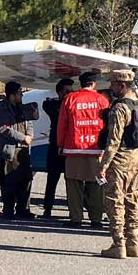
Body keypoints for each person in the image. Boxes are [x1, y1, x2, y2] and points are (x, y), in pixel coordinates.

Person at [97, 70, 138, 259]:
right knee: (132, 199)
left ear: (122, 85)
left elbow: (113, 140)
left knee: (114, 200)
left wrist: (103, 165)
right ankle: (133, 242)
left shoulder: (120, 108)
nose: (111, 87)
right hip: (136, 157)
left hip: (119, 159)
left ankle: (118, 244)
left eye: (113, 84)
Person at [58, 72, 109, 228]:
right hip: (96, 149)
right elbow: (108, 124)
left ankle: (76, 218)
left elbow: (62, 124)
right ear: (93, 84)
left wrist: (60, 144)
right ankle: (96, 218)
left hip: (74, 148)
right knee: (97, 184)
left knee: (74, 185)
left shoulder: (70, 99)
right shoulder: (102, 100)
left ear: (81, 84)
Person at [0, 81, 35, 219]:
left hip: (24, 151)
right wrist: (23, 137)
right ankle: (8, 210)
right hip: (10, 151)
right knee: (9, 182)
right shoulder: (1, 109)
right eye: (19, 93)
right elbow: (4, 129)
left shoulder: (22, 108)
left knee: (26, 180)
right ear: (12, 95)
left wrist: (29, 135)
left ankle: (24, 209)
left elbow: (29, 123)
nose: (21, 95)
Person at [41, 78, 75, 218]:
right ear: (60, 92)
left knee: (72, 181)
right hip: (55, 146)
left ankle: (74, 211)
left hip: (70, 147)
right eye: (67, 91)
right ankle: (47, 209)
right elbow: (47, 106)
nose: (70, 94)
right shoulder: (53, 105)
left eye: (71, 91)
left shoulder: (73, 105)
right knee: (52, 180)